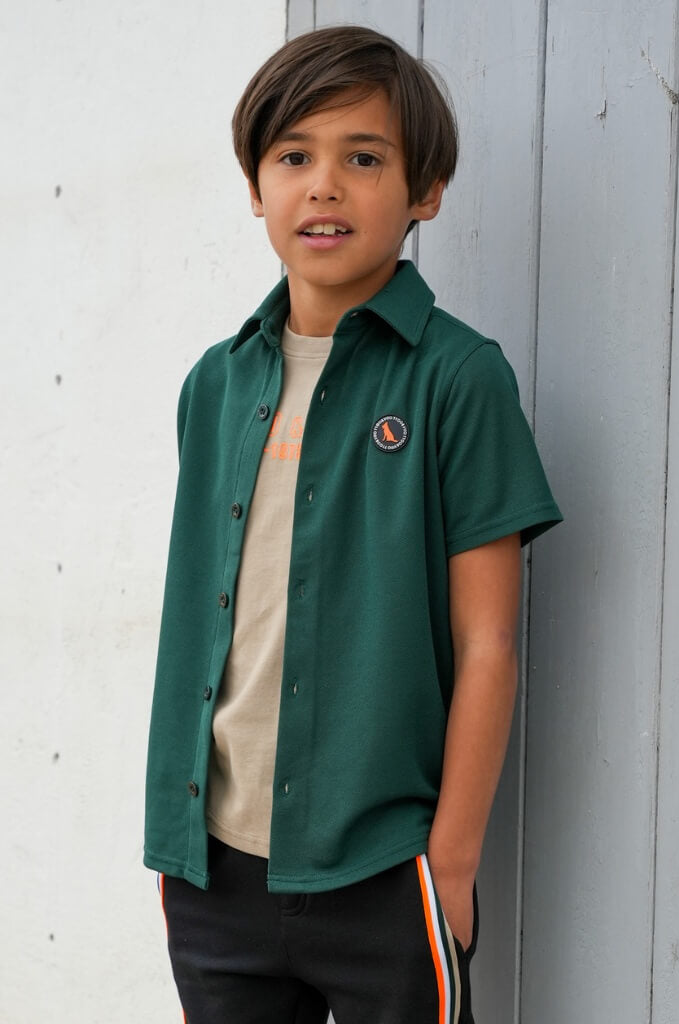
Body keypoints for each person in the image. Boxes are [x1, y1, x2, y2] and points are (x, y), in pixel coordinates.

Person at [144, 24, 562, 1024]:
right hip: (216, 871)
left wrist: (449, 863)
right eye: (294, 157)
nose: (323, 186)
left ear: (425, 192)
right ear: (256, 186)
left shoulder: (459, 379)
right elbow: (212, 611)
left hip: (385, 869)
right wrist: (176, 841)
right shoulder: (217, 380)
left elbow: (489, 642)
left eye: (363, 158)